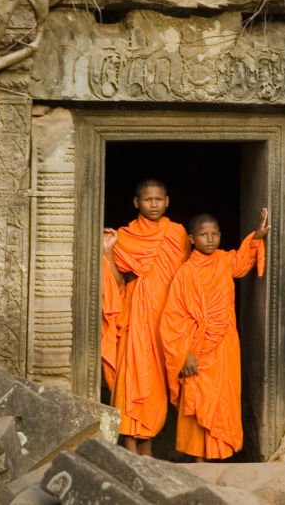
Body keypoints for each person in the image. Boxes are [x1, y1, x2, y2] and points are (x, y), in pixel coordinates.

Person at [160, 208, 269, 461]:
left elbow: (242, 263)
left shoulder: (223, 260)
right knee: (199, 399)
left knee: (222, 398)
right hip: (197, 349)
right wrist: (184, 354)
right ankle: (199, 458)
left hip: (224, 344)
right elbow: (173, 318)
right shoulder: (186, 273)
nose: (210, 239)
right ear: (191, 239)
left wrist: (257, 236)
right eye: (203, 235)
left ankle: (218, 456)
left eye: (215, 234)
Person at [101, 179, 189, 456]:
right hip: (136, 321)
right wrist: (107, 251)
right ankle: (129, 448)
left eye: (159, 199)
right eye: (148, 200)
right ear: (136, 202)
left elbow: (188, 278)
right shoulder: (125, 236)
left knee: (155, 386)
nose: (154, 204)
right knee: (131, 381)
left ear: (167, 202)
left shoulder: (177, 234)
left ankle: (147, 448)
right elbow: (117, 282)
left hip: (168, 322)